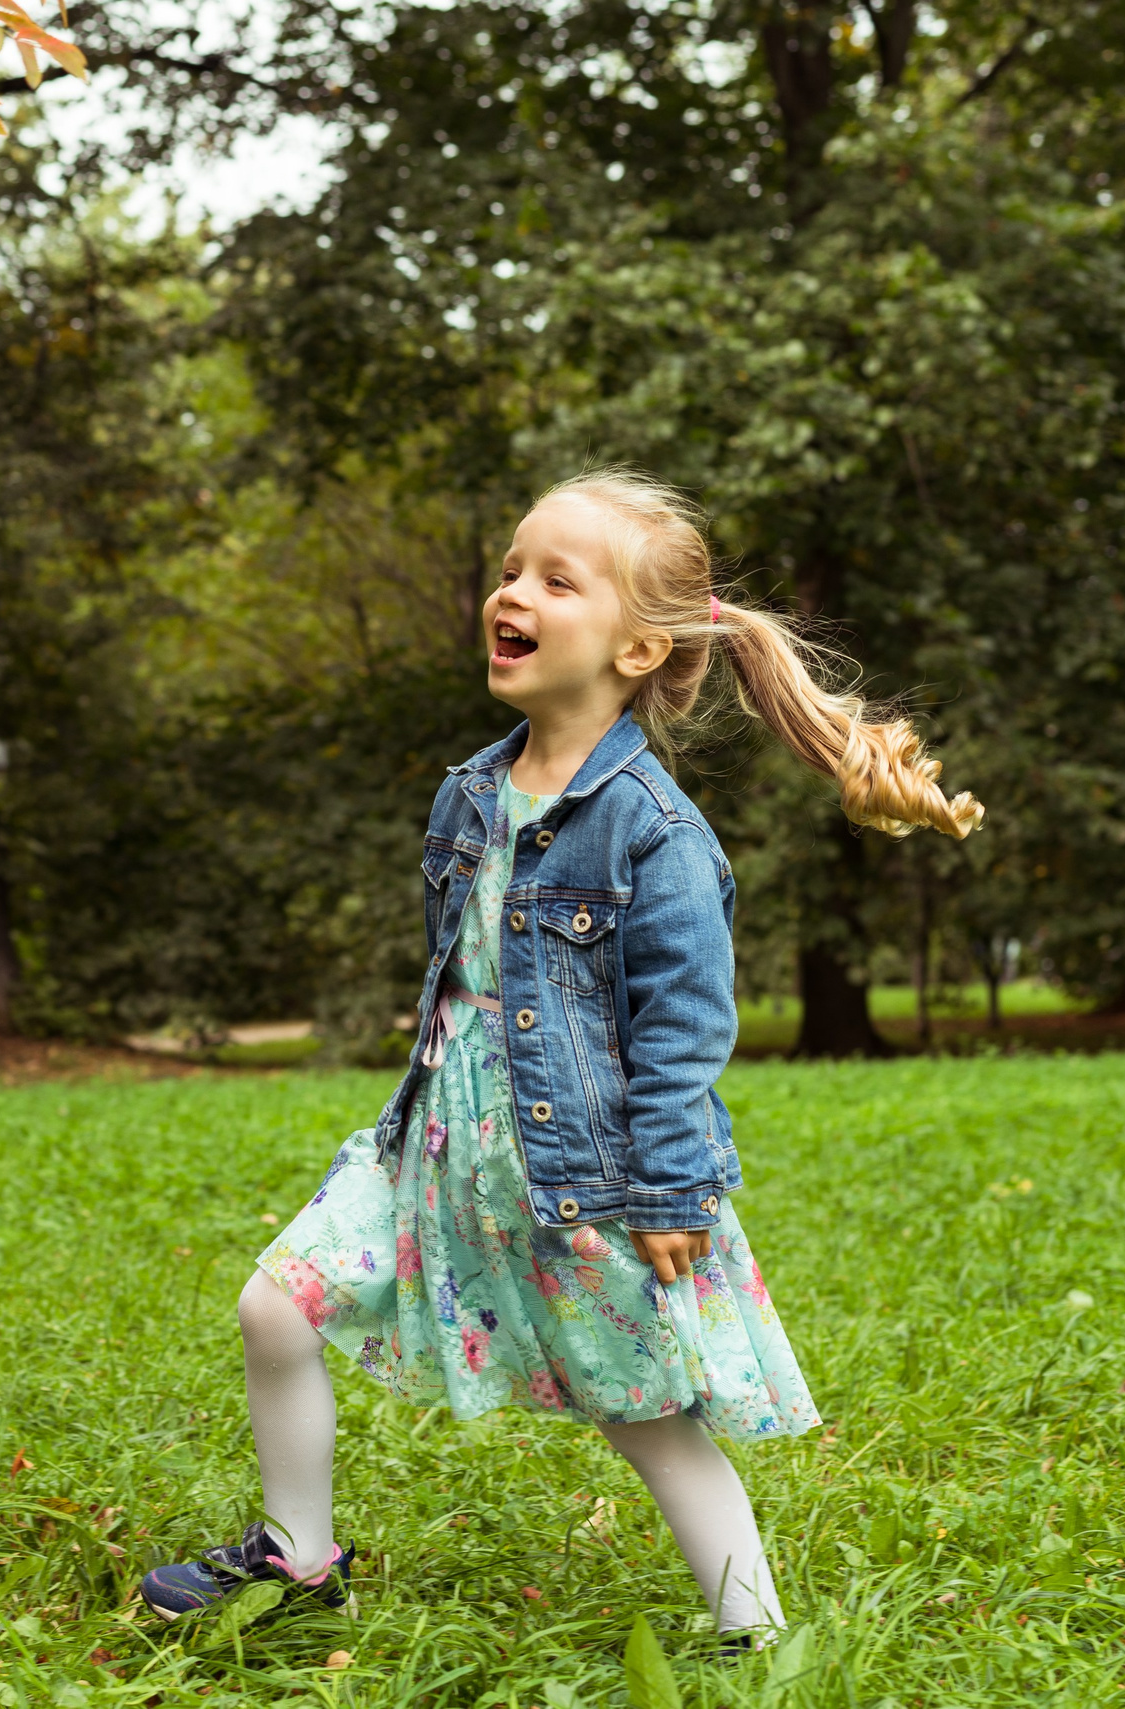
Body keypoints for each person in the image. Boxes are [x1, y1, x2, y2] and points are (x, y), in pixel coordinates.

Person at [138, 468, 984, 1643]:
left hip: (579, 1164)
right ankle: (301, 1557)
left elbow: (684, 1028)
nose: (510, 592)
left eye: (553, 577)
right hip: (436, 1142)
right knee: (274, 1309)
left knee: (644, 1413)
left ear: (638, 648)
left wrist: (672, 1184)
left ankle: (759, 1638)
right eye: (508, 569)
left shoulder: (657, 832)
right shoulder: (469, 793)